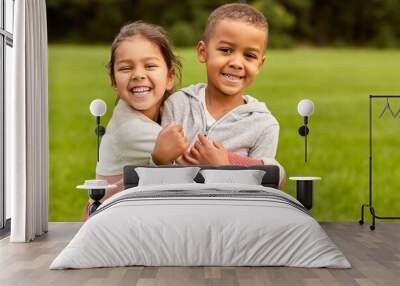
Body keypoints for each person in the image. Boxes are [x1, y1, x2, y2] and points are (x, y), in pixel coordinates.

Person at [152, 3, 285, 186]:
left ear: (259, 65)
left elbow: (261, 192)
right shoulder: (178, 104)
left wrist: (224, 167)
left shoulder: (263, 125)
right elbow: (156, 181)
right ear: (203, 52)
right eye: (226, 50)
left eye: (249, 56)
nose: (237, 63)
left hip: (231, 213)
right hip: (179, 209)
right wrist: (160, 160)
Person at [83, 21, 183, 220]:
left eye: (150, 66)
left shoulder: (162, 112)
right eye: (126, 68)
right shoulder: (131, 129)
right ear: (114, 81)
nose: (138, 75)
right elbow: (198, 161)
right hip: (113, 223)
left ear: (170, 76)